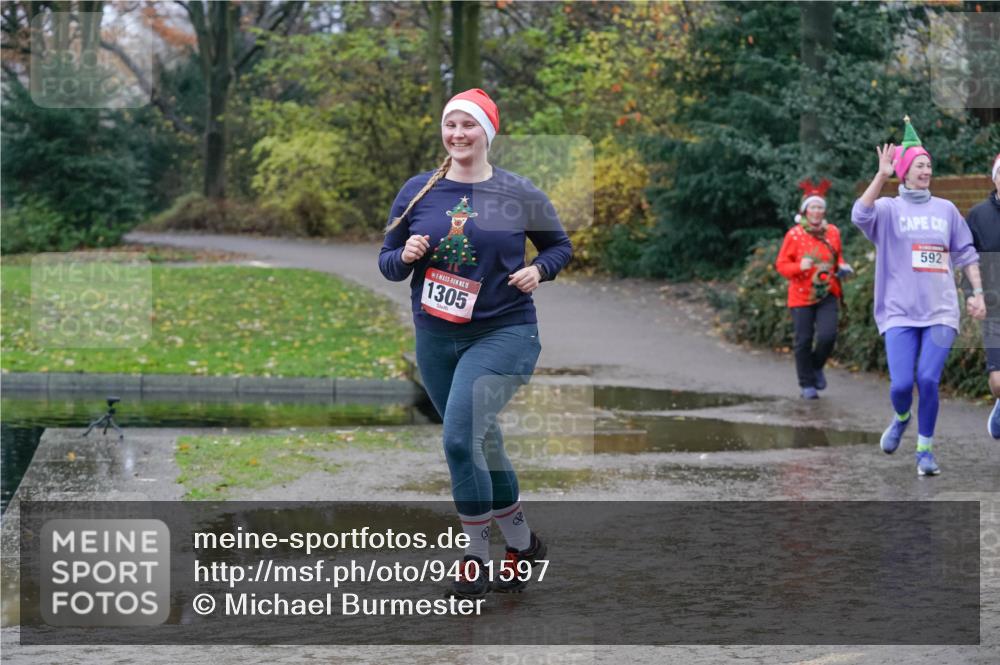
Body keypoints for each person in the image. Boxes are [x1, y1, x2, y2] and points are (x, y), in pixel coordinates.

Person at [378, 89, 572, 597]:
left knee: (460, 441)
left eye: (469, 125)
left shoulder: (518, 192)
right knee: (483, 441)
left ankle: (474, 559)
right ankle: (523, 546)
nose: (458, 134)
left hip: (504, 332)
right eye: (451, 125)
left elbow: (559, 246)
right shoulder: (418, 191)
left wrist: (538, 270)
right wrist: (406, 255)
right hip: (436, 337)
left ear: (487, 133)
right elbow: (387, 262)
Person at [852, 116, 985, 476]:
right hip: (899, 311)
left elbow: (966, 253)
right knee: (900, 385)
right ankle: (901, 417)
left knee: (927, 380)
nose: (926, 171)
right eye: (919, 165)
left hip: (941, 311)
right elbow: (859, 214)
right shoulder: (888, 210)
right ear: (905, 172)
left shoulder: (946, 210)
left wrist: (977, 292)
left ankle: (924, 451)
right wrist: (881, 176)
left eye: (929, 165)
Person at [775, 178, 853, 399]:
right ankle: (806, 384)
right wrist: (799, 266)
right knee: (803, 340)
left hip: (828, 292)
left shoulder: (833, 232)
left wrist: (842, 267)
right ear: (805, 210)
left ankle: (816, 366)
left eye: (820, 207)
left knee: (828, 336)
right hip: (801, 295)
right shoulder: (794, 235)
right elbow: (781, 265)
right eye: (813, 207)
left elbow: (837, 257)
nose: (817, 211)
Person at [963, 152, 1000, 438]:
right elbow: (967, 258)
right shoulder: (978, 215)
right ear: (995, 178)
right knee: (998, 382)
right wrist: (971, 294)